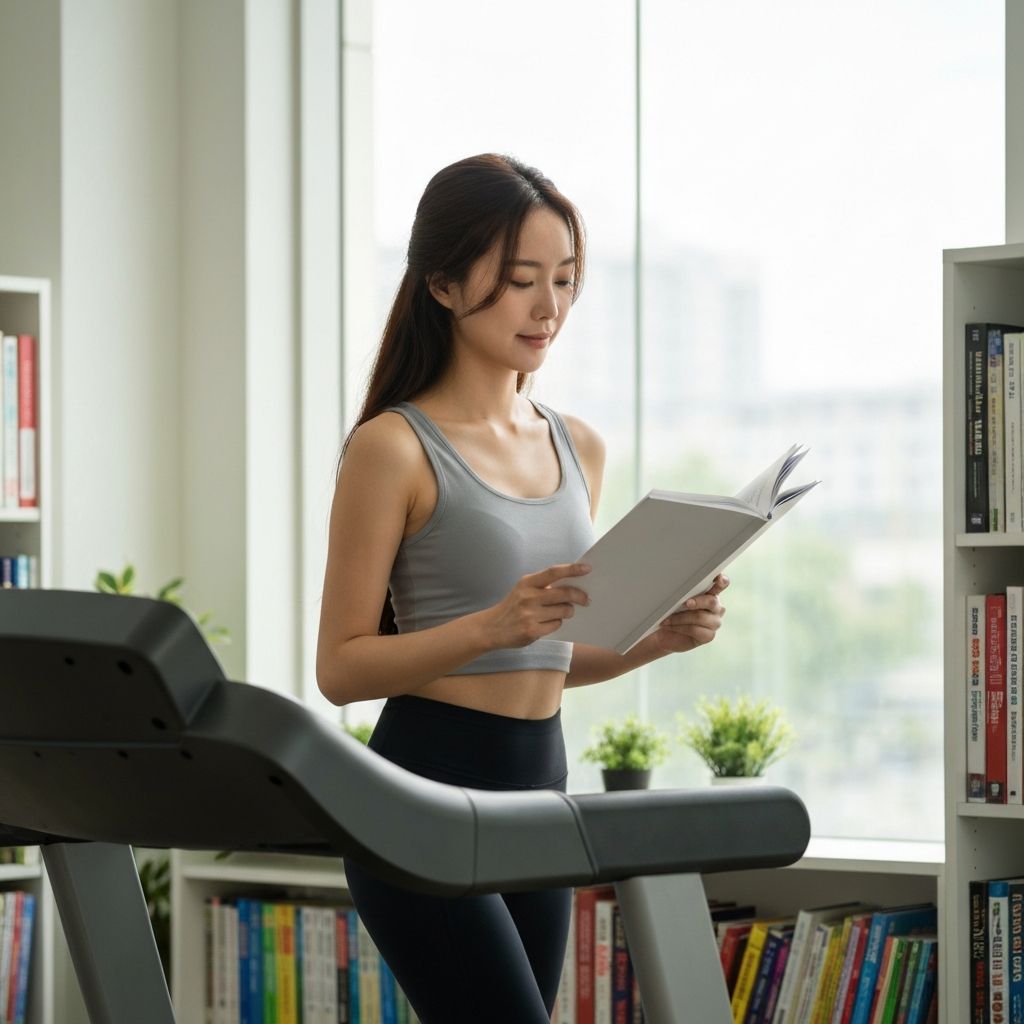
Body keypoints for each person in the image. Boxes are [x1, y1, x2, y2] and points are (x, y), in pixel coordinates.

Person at [316, 153, 728, 1024]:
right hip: (422, 796)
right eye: (519, 281)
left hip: (542, 793)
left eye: (566, 281)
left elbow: (550, 657)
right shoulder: (391, 449)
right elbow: (342, 668)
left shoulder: (578, 444)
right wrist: (489, 626)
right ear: (441, 283)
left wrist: (654, 637)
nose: (549, 308)